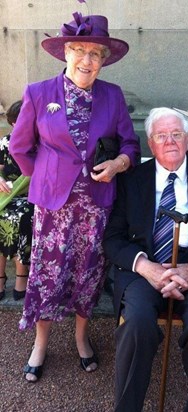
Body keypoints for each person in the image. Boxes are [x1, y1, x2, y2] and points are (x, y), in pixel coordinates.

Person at [9, 4, 140, 383]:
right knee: (48, 275)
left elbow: (131, 147)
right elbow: (20, 147)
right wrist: (45, 178)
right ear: (66, 52)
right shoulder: (38, 93)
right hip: (53, 207)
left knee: (87, 274)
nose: (87, 60)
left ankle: (82, 338)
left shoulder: (113, 96)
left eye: (96, 54)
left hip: (96, 207)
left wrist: (118, 164)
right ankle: (40, 343)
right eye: (80, 51)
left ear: (103, 61)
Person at [103, 107, 188, 412]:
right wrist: (146, 267)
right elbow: (112, 238)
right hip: (143, 271)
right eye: (161, 136)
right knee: (136, 323)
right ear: (151, 144)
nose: (170, 141)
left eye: (176, 134)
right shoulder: (132, 179)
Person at [0, 100, 34, 301]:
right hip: (7, 196)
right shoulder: (5, 142)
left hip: (32, 196)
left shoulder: (40, 144)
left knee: (24, 218)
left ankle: (22, 276)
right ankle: (1, 276)